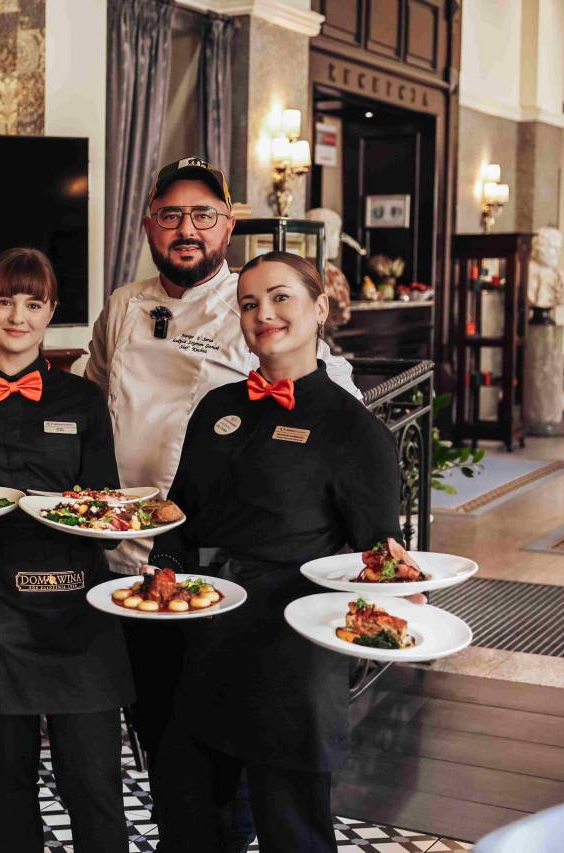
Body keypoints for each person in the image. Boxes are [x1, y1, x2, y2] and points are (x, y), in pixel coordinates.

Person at [83, 158, 359, 848]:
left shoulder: (254, 302)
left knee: (223, 752)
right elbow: (94, 400)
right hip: (130, 562)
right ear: (148, 223)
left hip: (218, 574)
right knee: (164, 746)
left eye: (203, 215)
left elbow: (330, 399)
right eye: (171, 214)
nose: (187, 229)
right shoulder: (122, 306)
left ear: (227, 226)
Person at [148, 252, 403, 852]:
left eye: (281, 297)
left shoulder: (353, 428)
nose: (263, 313)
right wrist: (161, 579)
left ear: (320, 308)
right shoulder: (216, 407)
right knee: (192, 818)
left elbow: (380, 553)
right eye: (249, 303)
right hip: (201, 633)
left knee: (292, 827)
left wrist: (401, 594)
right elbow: (180, 514)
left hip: (290, 647)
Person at [0, 248, 134, 853]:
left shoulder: (82, 400)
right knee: (2, 787)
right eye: (4, 300)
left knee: (94, 782)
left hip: (78, 608)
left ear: (51, 312)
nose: (17, 316)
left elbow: (105, 501)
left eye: (33, 303)